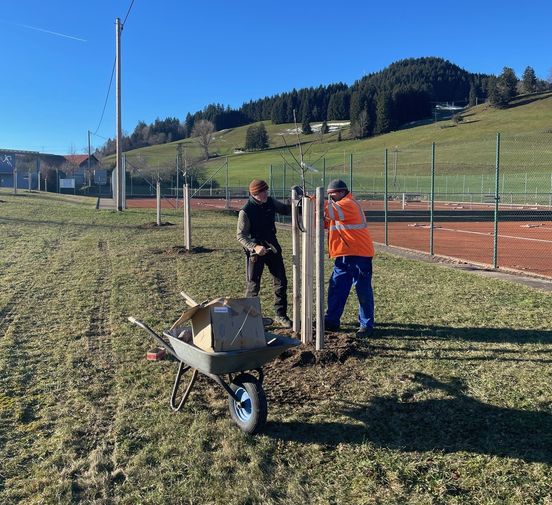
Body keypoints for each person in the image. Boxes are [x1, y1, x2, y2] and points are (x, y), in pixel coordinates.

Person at [236, 179, 293, 328]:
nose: (265, 194)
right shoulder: (246, 211)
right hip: (256, 251)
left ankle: (281, 315)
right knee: (253, 285)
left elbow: (287, 210)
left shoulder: (271, 202)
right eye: (262, 192)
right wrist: (254, 247)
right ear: (254, 194)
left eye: (266, 191)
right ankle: (251, 317)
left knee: (281, 280)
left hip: (272, 245)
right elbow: (241, 235)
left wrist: (297, 200)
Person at [324, 179, 375, 337]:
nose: (330, 198)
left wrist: (312, 200)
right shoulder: (338, 206)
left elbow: (328, 212)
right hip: (344, 255)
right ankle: (331, 321)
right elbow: (327, 221)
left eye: (332, 195)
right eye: (328, 196)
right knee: (336, 287)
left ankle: (366, 325)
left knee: (362, 290)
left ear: (341, 192)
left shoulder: (348, 204)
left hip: (359, 255)